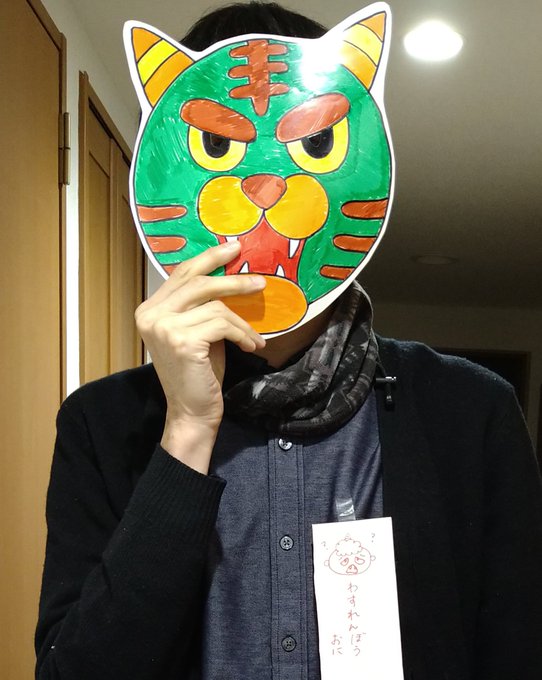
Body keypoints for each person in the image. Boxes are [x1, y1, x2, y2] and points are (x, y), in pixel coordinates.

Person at [35, 3, 542, 679]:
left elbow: (515, 648)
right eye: (214, 148)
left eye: (313, 143)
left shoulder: (469, 412)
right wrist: (186, 432)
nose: (265, 186)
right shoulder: (103, 426)